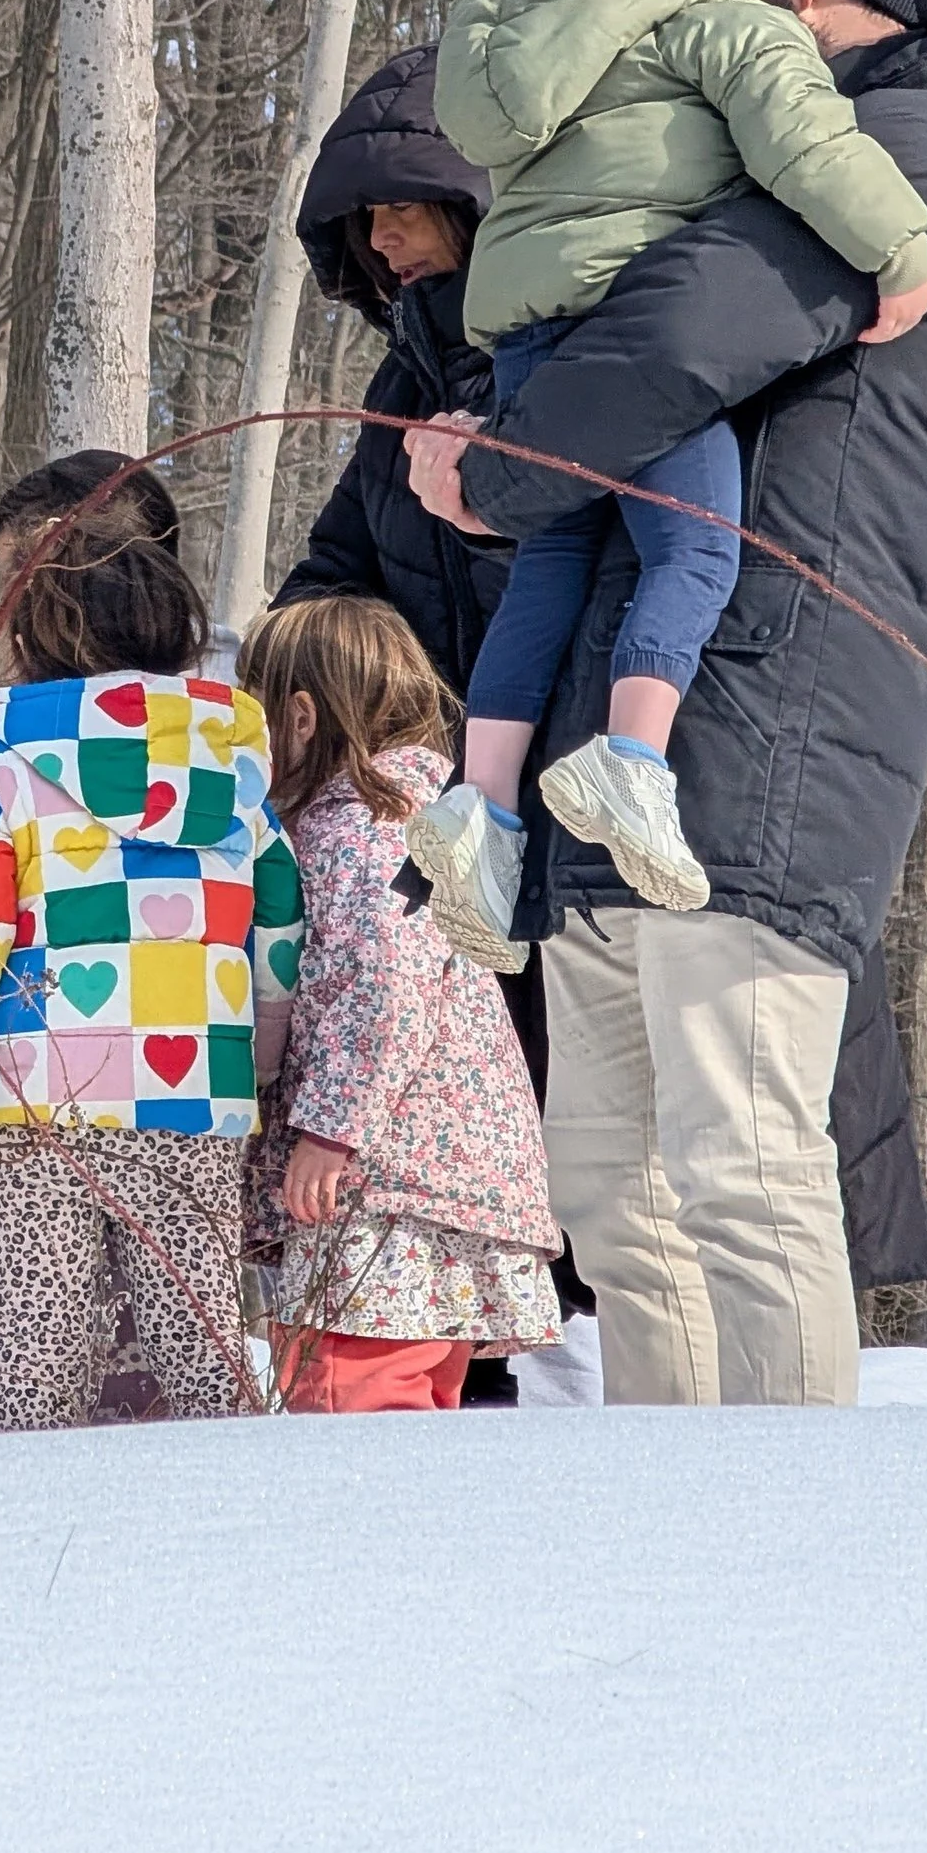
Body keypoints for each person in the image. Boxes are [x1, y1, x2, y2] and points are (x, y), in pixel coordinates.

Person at [407, 0, 927, 1404]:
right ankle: (662, 1533)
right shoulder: (770, 121)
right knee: (617, 1196)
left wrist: (496, 473)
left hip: (777, 707)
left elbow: (687, 328)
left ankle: (785, 1540)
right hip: (641, 721)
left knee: (740, 1166)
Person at [408, 0, 927, 971]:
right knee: (694, 547)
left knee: (550, 559)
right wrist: (903, 253)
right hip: (636, 326)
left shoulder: (520, 20)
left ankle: (482, 804)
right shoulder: (727, 25)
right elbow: (810, 146)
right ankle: (631, 759)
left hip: (529, 335)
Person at [0, 504, 303, 1430]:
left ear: (35, 635)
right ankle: (240, 1494)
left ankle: (37, 1505)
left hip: (42, 1101)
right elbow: (278, 933)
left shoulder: (5, 770)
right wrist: (260, 1058)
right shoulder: (233, 777)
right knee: (201, 1338)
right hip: (194, 1094)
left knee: (42, 1346)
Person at [239, 597, 560, 1412]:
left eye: (251, 712)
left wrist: (330, 1132)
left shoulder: (360, 832)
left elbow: (385, 985)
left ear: (300, 718)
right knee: (407, 1423)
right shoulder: (422, 820)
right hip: (439, 1183)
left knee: (348, 1413)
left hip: (385, 1193)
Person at [274, 46, 506, 693]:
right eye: (369, 217)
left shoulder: (558, 361)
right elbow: (340, 567)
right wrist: (269, 667)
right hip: (427, 746)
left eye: (402, 206)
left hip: (579, 744)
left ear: (474, 206)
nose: (379, 239)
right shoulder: (402, 384)